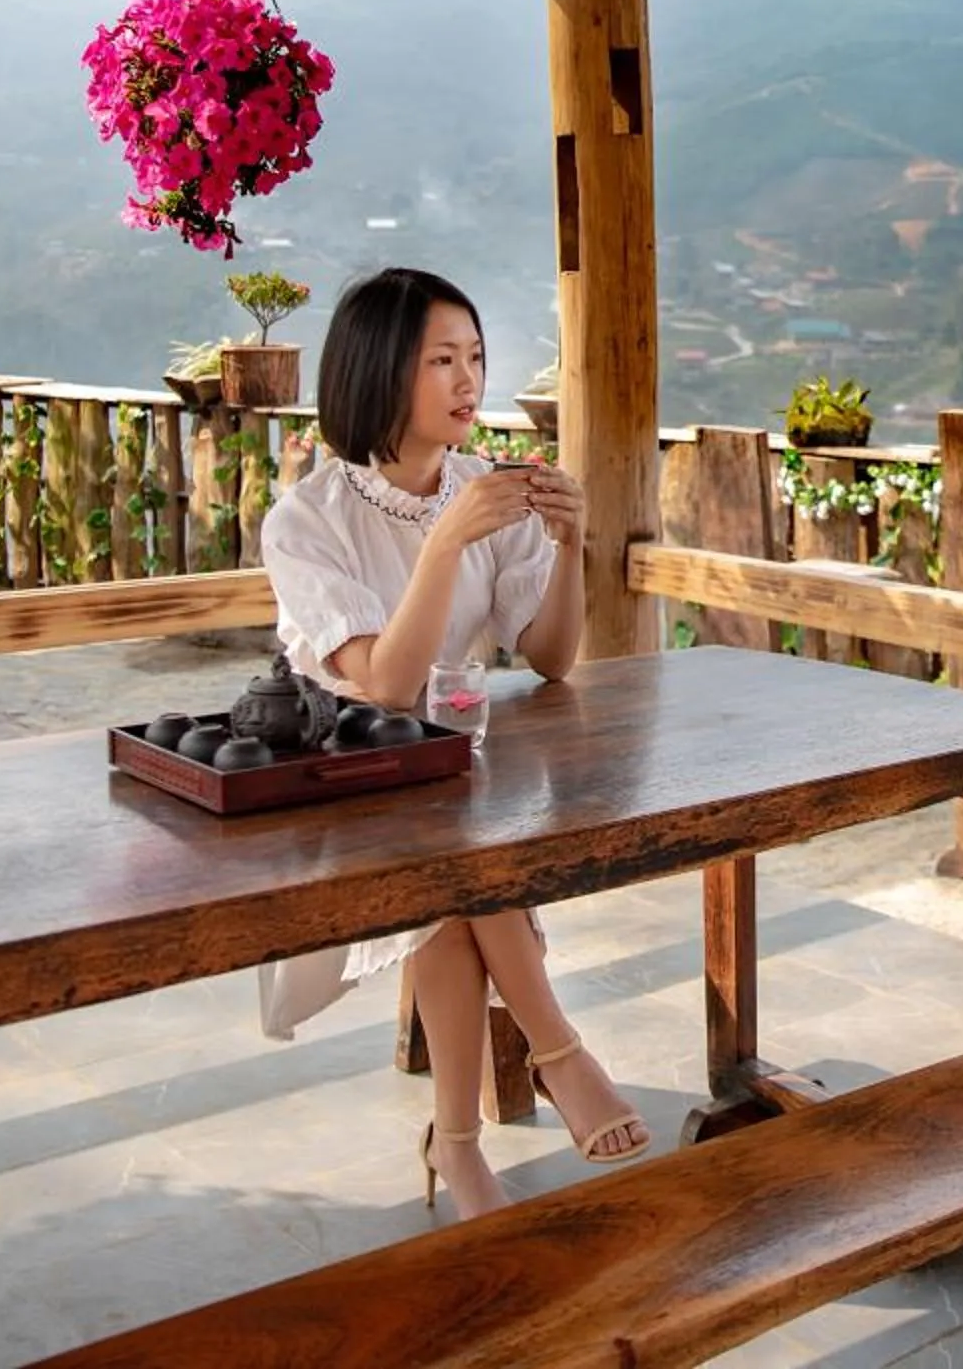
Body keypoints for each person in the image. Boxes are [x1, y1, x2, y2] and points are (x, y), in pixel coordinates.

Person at [254, 265, 651, 1217]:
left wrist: (570, 545)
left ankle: (458, 1143)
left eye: (475, 356)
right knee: (458, 865)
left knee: (456, 865)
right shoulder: (307, 519)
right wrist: (443, 544)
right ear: (380, 370)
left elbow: (551, 659)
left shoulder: (484, 490)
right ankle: (557, 1051)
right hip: (344, 784)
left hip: (451, 778)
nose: (468, 380)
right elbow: (386, 686)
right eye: (441, 360)